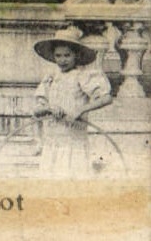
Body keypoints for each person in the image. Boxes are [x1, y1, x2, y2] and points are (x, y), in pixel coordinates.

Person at [32, 28, 113, 175]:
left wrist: (80, 109)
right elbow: (37, 109)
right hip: (52, 140)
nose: (62, 60)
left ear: (76, 55)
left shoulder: (82, 76)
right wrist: (49, 108)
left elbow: (106, 98)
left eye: (67, 55)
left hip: (73, 139)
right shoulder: (51, 78)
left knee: (72, 176)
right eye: (58, 56)